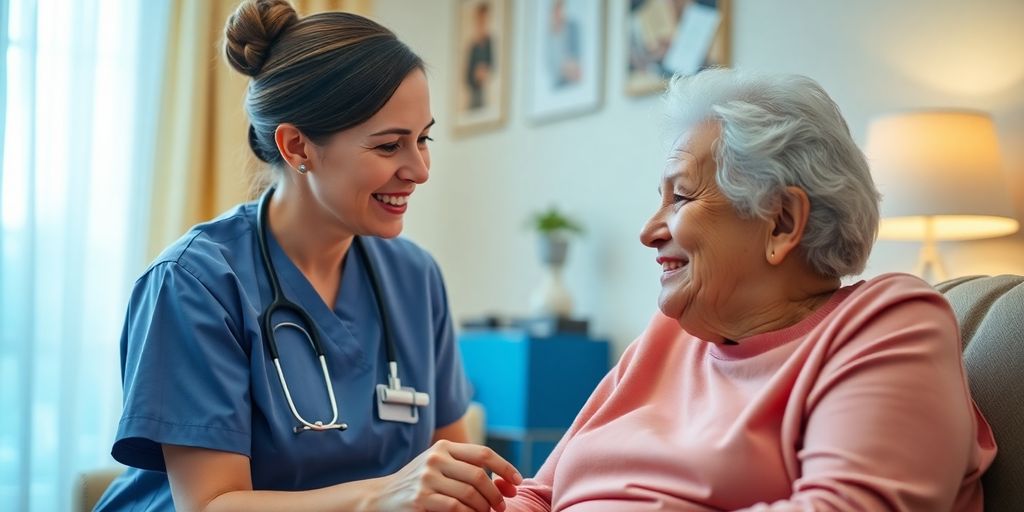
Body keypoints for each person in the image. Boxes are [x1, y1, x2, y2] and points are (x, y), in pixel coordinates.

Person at [502, 69, 996, 511]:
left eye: (681, 197)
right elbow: (540, 496)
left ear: (781, 222)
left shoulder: (888, 323)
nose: (649, 230)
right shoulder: (668, 337)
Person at [95, 1, 521, 510]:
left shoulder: (414, 277)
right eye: (389, 146)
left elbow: (453, 465)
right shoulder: (195, 282)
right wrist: (382, 496)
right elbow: (210, 504)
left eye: (423, 139)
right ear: (297, 146)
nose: (420, 169)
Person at [465, 2, 494, 110]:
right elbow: (466, 75)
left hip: (485, 91)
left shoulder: (489, 42)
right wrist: (475, 76)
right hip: (474, 91)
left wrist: (485, 72)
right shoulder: (472, 46)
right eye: (480, 20)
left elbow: (493, 65)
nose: (483, 23)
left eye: (485, 20)